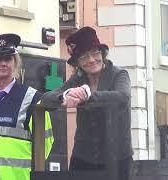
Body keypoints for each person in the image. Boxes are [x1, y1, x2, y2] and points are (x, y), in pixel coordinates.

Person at [41, 27, 133, 180]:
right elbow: (46, 98)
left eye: (95, 53)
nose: (90, 60)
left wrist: (87, 95)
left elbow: (122, 96)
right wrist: (66, 95)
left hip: (117, 159)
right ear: (77, 63)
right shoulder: (77, 79)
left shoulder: (119, 74)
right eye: (83, 57)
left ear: (102, 54)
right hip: (83, 159)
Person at [0, 33, 54, 180]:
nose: (3, 63)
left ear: (15, 62)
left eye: (8, 58)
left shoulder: (33, 99)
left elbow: (45, 144)